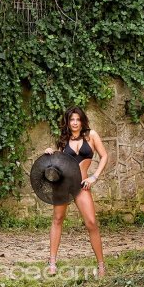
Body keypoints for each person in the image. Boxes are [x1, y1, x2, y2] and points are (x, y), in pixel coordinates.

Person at [45, 106, 108, 277]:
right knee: (58, 219)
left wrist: (94, 177)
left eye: (77, 119)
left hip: (81, 185)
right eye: (71, 119)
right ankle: (52, 263)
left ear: (82, 121)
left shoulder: (91, 135)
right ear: (67, 121)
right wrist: (51, 153)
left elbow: (104, 156)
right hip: (63, 185)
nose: (74, 122)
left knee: (91, 223)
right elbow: (58, 163)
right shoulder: (63, 139)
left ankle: (101, 266)